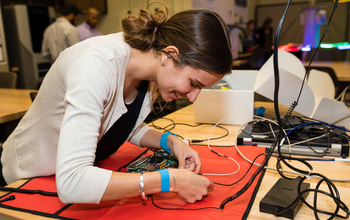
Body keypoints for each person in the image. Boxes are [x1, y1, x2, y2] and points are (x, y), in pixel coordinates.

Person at [1, 2, 233, 204]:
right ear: (169, 55)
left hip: (57, 178)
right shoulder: (95, 67)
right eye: (194, 83)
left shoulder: (148, 66)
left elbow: (119, 122)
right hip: (22, 180)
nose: (193, 97)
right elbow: (72, 182)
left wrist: (171, 142)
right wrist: (168, 181)